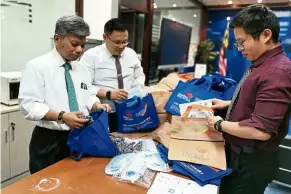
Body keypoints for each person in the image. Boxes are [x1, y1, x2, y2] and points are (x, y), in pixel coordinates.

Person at [206, 5, 291, 194]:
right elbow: (256, 100)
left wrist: (219, 124)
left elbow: (261, 130)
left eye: (242, 42)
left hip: (250, 164)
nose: (240, 48)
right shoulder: (262, 63)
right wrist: (229, 104)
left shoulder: (277, 72)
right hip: (239, 157)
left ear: (266, 35)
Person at [18, 15, 111, 174]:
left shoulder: (81, 69)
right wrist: (62, 116)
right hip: (50, 140)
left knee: (77, 180)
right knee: (47, 183)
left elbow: (86, 93)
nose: (80, 50)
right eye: (74, 44)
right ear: (57, 38)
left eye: (83, 45)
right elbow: (29, 105)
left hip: (81, 135)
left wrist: (96, 104)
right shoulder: (37, 66)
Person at [80, 18, 145, 132]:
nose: (121, 46)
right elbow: (83, 86)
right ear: (105, 37)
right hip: (104, 112)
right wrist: (108, 94)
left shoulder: (131, 54)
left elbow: (138, 76)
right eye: (117, 42)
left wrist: (136, 91)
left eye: (125, 42)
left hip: (129, 110)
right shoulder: (91, 57)